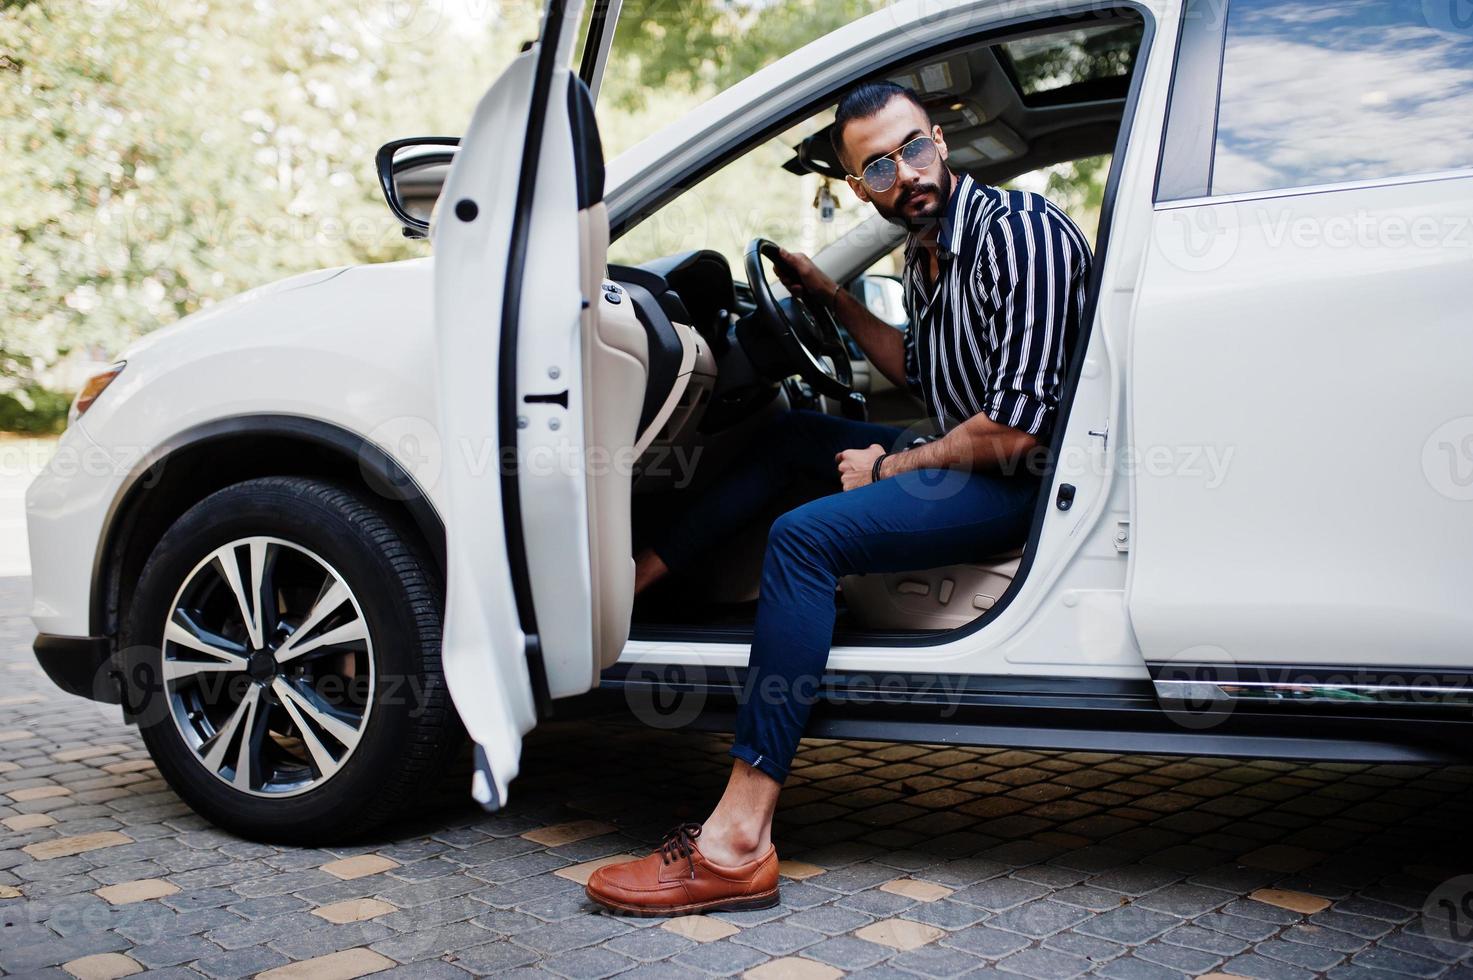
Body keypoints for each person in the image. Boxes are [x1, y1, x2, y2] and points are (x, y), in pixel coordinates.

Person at [586, 80, 1094, 916]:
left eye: (915, 148)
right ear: (859, 187)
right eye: (881, 167)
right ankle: (625, 590)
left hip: (1019, 484)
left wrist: (890, 470)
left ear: (941, 137)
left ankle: (736, 841)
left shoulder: (1019, 236)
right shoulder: (925, 252)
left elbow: (1012, 432)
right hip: (966, 459)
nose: (908, 173)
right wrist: (829, 298)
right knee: (787, 436)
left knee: (802, 539)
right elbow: (918, 372)